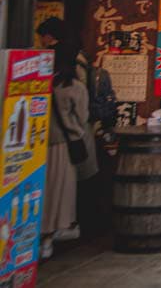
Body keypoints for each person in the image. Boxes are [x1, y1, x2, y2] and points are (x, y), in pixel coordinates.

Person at [40, 37, 92, 259]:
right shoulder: (74, 86)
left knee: (43, 189)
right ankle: (51, 236)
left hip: (38, 144)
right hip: (63, 145)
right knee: (60, 190)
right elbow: (82, 117)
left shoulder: (42, 84)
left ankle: (38, 235)